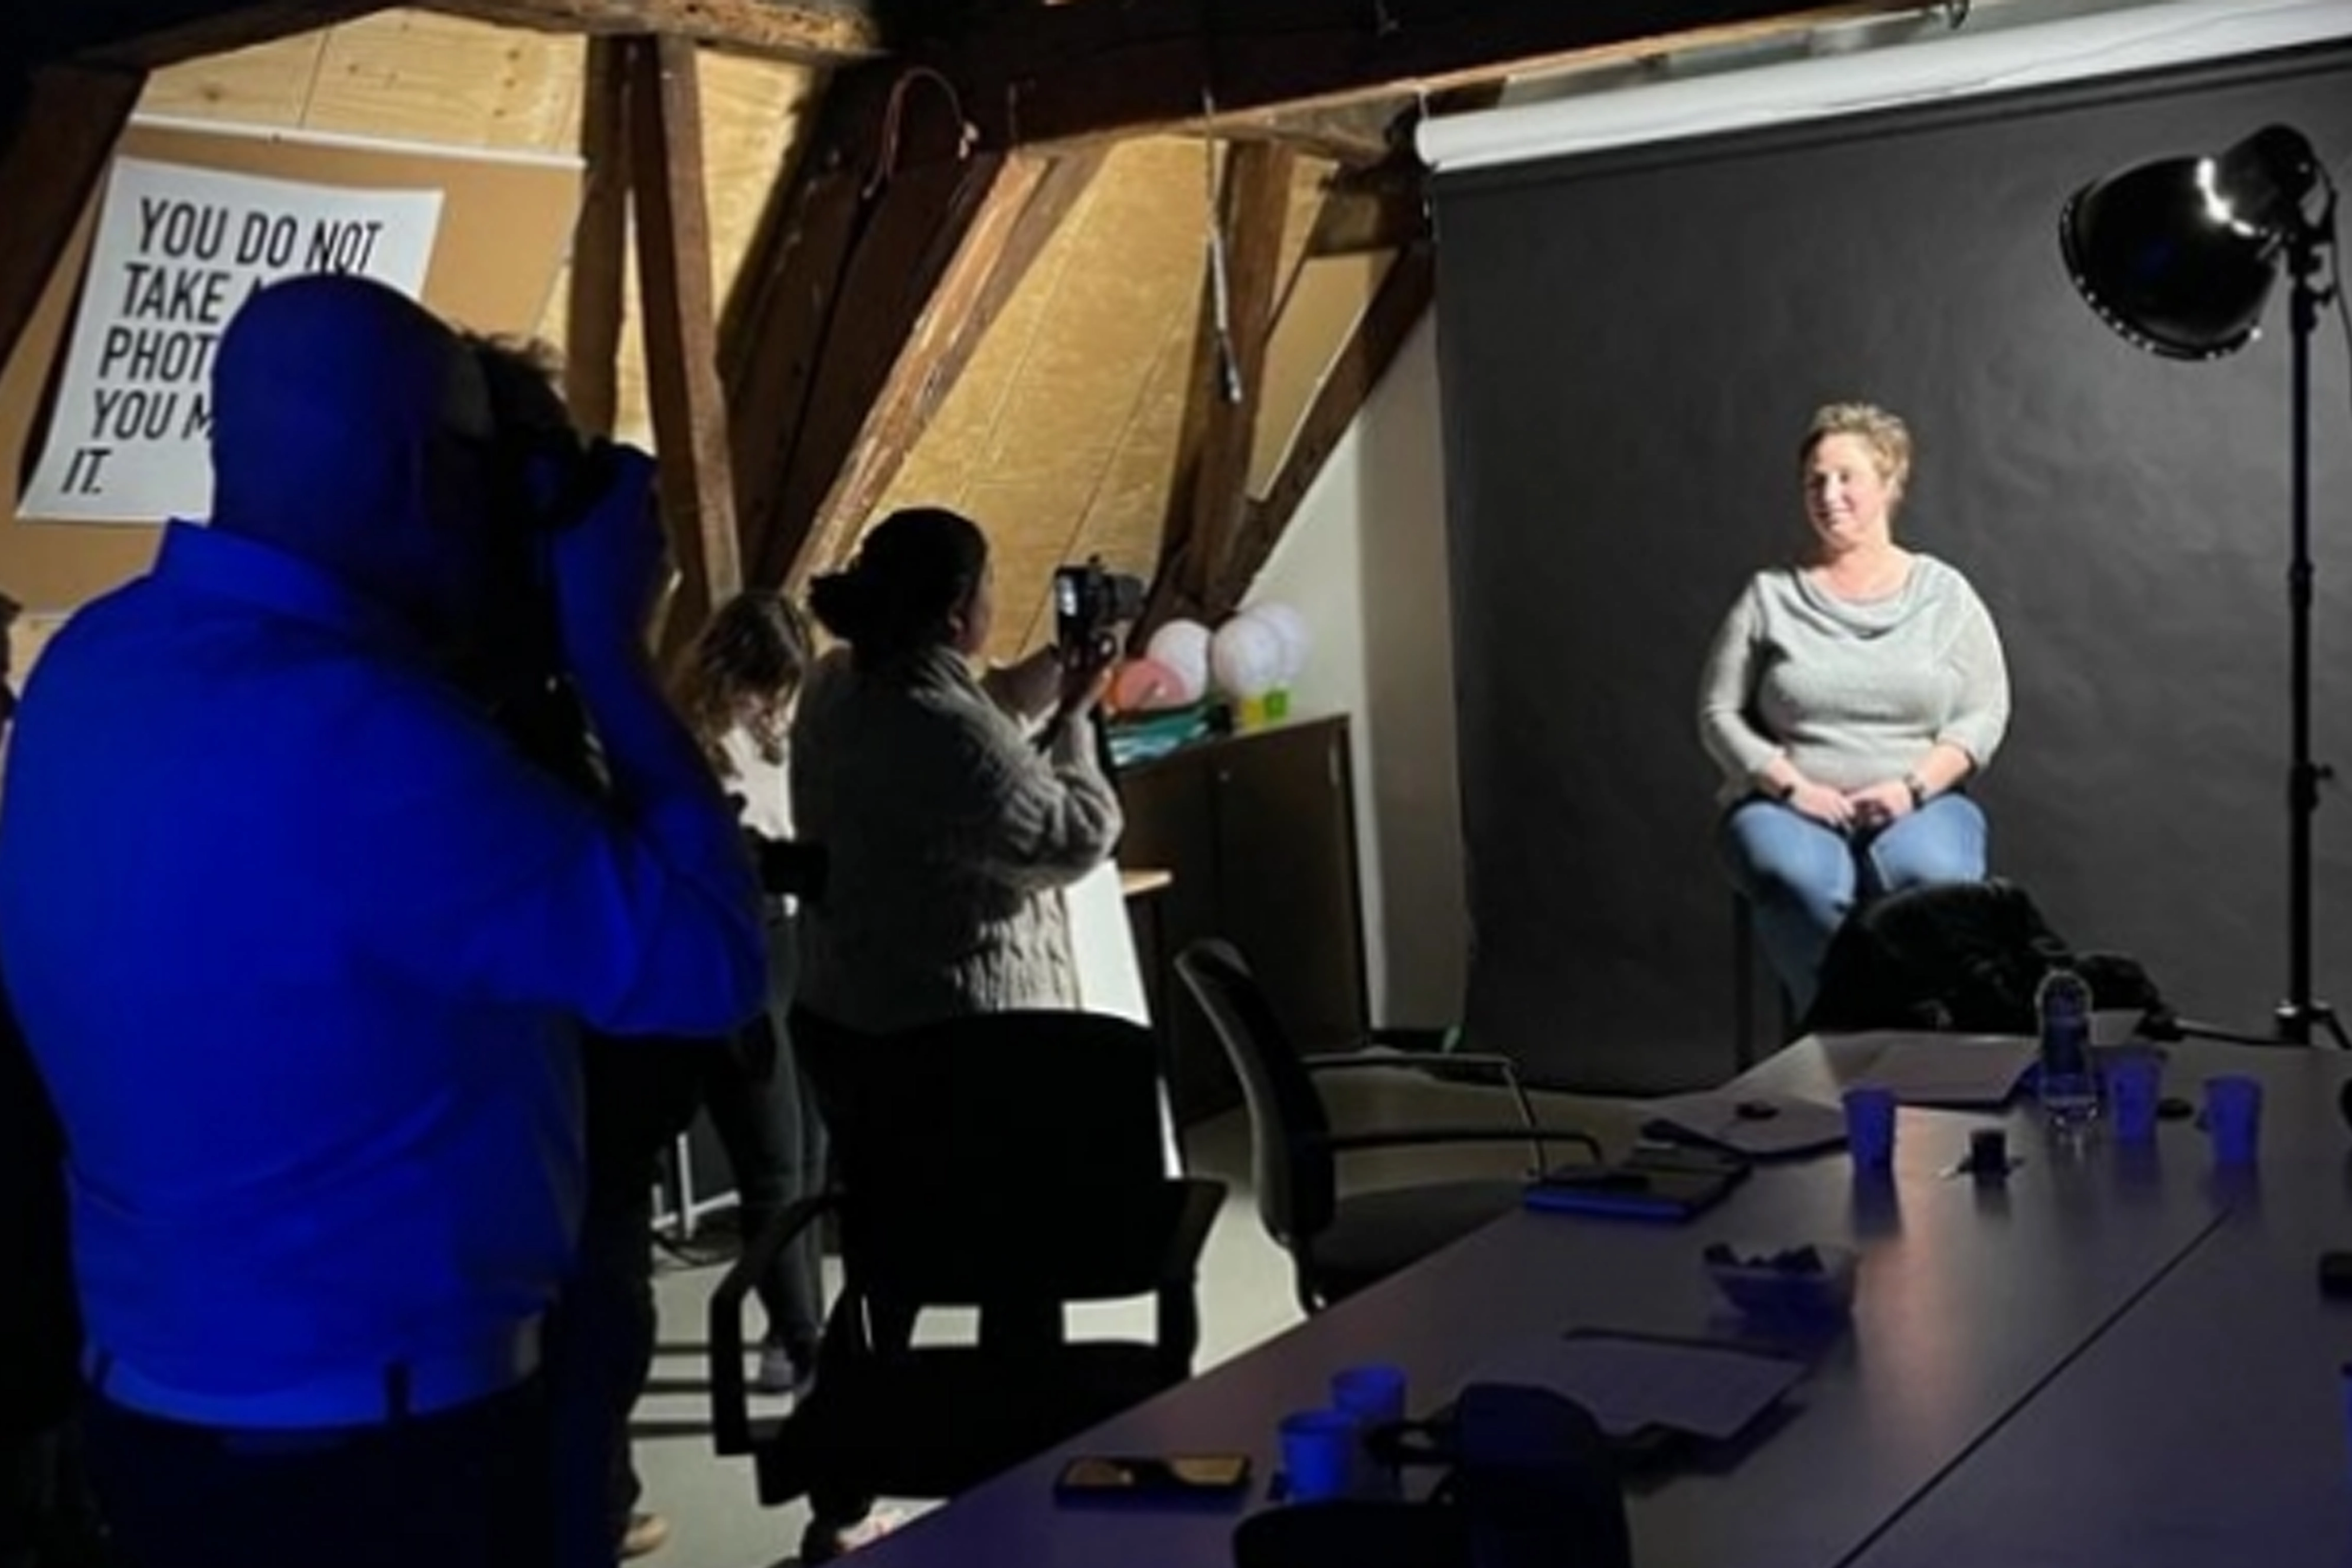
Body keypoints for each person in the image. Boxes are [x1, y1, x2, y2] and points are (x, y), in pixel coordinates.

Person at [0, 275, 766, 1568]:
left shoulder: (94, 663)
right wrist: (610, 655)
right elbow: (712, 959)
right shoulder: (372, 742)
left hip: (163, 1413)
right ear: (423, 475)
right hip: (388, 1452)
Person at [1697, 401, 2011, 1018]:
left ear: (1890, 484)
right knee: (1795, 876)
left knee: (1936, 879)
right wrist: (1791, 788)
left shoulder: (1945, 595)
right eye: (1815, 481)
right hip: (1790, 803)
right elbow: (1718, 711)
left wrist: (1911, 789)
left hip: (1919, 799)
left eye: (1847, 478)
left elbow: (1984, 712)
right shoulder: (1771, 595)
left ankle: (1902, 1043)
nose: (1828, 495)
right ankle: (1848, 1035)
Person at [790, 507, 1123, 1041]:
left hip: (854, 1012)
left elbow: (979, 718)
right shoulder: (947, 732)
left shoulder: (833, 683)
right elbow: (1078, 837)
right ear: (956, 614)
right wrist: (1074, 719)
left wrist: (1063, 666)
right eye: (989, 582)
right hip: (956, 1037)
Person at [669, 590, 829, 1399]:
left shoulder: (776, 736)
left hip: (793, 942)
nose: (774, 703)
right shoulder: (688, 749)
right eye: (766, 684)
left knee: (811, 1153)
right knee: (772, 1164)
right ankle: (803, 1344)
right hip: (733, 953)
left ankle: (796, 1330)